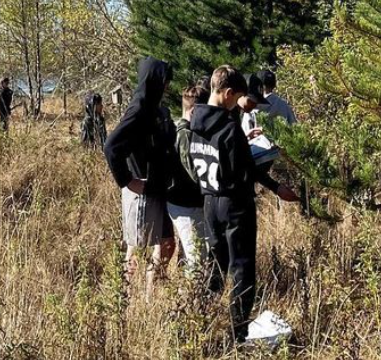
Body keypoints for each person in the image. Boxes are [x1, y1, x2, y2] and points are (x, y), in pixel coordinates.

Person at [188, 66, 299, 343]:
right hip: (235, 205)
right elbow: (247, 169)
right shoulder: (228, 128)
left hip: (210, 203)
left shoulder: (194, 122)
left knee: (214, 265)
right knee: (242, 270)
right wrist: (276, 187)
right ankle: (239, 333)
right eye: (237, 96)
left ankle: (199, 318)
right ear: (227, 94)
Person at [103, 57, 177, 295]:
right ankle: (122, 297)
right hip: (142, 191)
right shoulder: (139, 109)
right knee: (137, 249)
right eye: (165, 81)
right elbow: (111, 147)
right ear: (154, 80)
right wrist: (128, 181)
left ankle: (149, 296)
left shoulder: (157, 109)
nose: (168, 86)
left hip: (157, 188)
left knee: (166, 243)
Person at [165, 83, 208, 270]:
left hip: (187, 202)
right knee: (196, 258)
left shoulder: (185, 130)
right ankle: (193, 297)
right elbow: (193, 173)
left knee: (190, 253)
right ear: (194, 112)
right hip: (185, 204)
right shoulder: (185, 134)